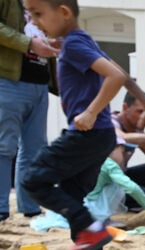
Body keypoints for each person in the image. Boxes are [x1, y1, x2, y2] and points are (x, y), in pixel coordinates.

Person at [21, 0, 145, 250]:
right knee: (72, 192)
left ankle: (92, 230)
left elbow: (115, 77)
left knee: (33, 180)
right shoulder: (80, 40)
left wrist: (91, 111)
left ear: (63, 12)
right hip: (102, 136)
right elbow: (121, 72)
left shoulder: (74, 44)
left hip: (87, 133)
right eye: (30, 15)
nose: (34, 22)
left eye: (38, 14)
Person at [0, 0, 58, 222]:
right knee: (4, 146)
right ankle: (1, 207)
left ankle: (30, 205)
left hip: (40, 83)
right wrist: (28, 44)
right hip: (8, 80)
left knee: (34, 148)